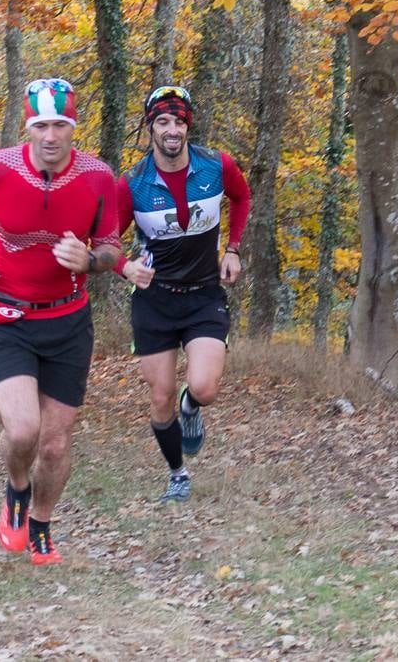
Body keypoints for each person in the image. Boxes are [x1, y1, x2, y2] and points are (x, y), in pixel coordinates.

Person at [0, 77, 120, 565]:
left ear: (73, 128)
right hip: (7, 315)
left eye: (60, 125)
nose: (50, 136)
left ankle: (42, 523)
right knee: (23, 432)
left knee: (55, 442)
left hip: (67, 322)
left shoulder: (98, 177)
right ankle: (16, 490)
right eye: (40, 125)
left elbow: (112, 247)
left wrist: (90, 261)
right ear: (28, 127)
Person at [116, 85, 250, 503]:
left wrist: (232, 249)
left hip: (203, 294)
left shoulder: (215, 165)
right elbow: (103, 239)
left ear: (188, 124)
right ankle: (178, 473)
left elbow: (242, 196)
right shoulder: (133, 183)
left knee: (205, 387)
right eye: (162, 122)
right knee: (160, 399)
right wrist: (125, 266)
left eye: (178, 121)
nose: (171, 129)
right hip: (155, 301)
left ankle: (191, 408)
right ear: (151, 128)